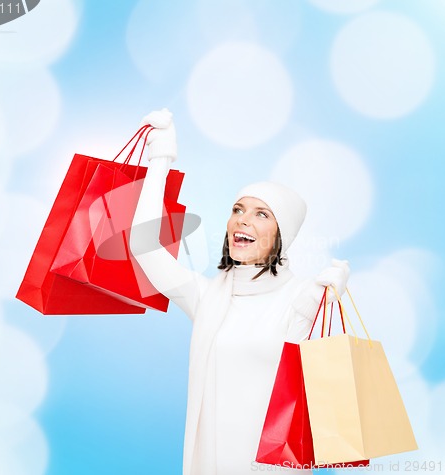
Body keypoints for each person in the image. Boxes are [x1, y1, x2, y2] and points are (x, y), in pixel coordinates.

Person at [129, 109, 350, 475]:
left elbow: (318, 388)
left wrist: (326, 302)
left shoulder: (301, 298)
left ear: (283, 236)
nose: (243, 220)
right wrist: (160, 158)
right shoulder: (208, 297)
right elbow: (144, 248)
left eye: (262, 214)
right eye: (238, 209)